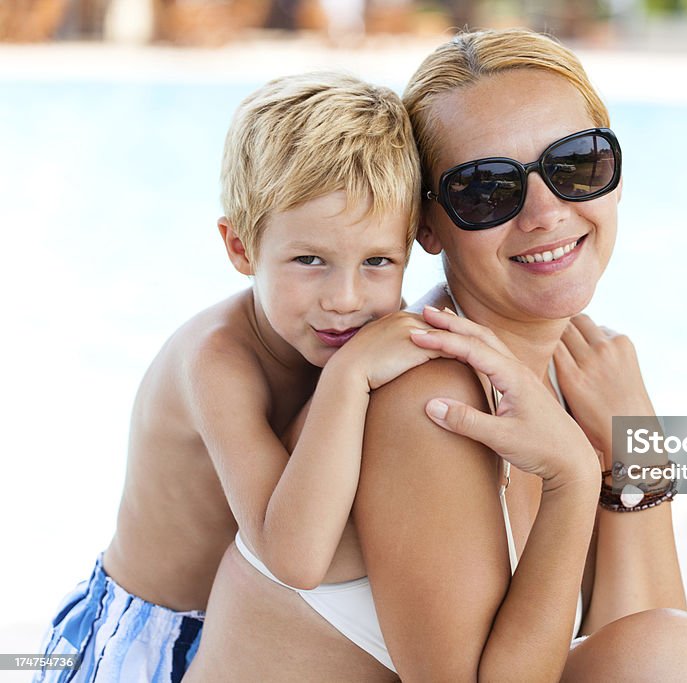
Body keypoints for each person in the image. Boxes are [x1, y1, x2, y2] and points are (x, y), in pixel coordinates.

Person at [187, 29, 687, 681]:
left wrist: (639, 453)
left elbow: (634, 640)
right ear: (426, 225)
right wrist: (572, 471)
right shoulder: (432, 399)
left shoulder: (583, 369)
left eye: (576, 164)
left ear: (615, 174)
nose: (544, 212)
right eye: (487, 189)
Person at [33, 71, 440, 682]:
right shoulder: (217, 361)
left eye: (378, 262)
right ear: (240, 247)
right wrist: (350, 375)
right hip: (132, 634)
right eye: (310, 261)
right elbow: (292, 558)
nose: (346, 298)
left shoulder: (360, 328)